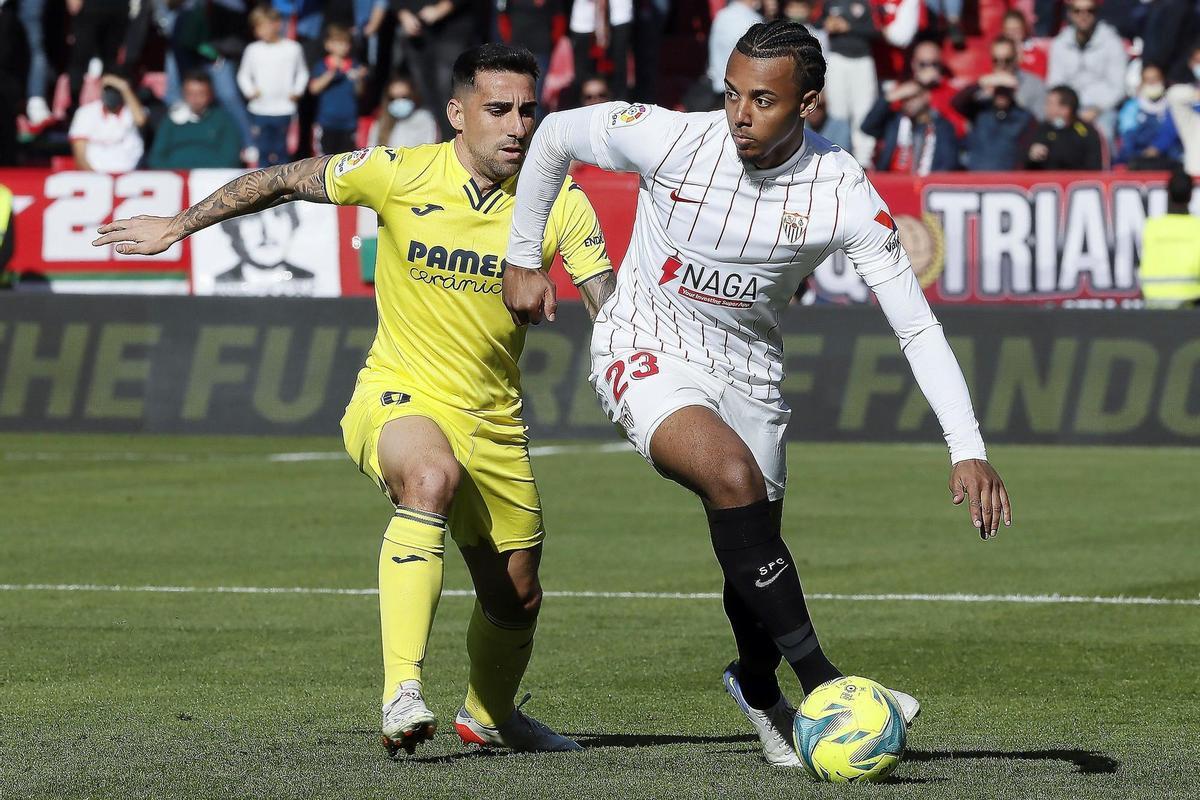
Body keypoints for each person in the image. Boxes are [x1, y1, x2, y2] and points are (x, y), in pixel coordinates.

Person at [503, 20, 1011, 767]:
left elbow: (916, 327)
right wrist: (523, 254)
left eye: (763, 100)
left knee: (752, 544)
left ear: (808, 102)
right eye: (733, 94)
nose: (741, 114)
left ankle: (756, 686)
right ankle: (828, 689)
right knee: (731, 479)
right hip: (642, 345)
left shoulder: (842, 191)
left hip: (751, 373)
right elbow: (553, 139)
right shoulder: (669, 137)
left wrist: (968, 449)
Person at [92, 43, 612, 757]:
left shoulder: (559, 201)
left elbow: (609, 306)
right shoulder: (396, 172)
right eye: (498, 110)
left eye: (528, 109)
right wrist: (178, 226)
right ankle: (403, 691)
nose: (517, 126)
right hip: (399, 393)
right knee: (428, 479)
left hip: (494, 420)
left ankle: (491, 718)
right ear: (457, 115)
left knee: (515, 596)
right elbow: (279, 178)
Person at [237, 5, 309, 166]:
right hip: (260, 109)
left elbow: (302, 73)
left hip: (284, 109)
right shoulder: (252, 49)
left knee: (282, 150)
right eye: (256, 27)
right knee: (262, 150)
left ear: (277, 24)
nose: (259, 31)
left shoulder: (293, 48)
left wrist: (296, 91)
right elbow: (243, 74)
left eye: (263, 25)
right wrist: (249, 91)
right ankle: (262, 187)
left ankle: (282, 188)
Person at [1046, 0, 1127, 140]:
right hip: (1068, 109)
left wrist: (1096, 109)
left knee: (1103, 135)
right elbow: (1055, 84)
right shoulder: (1059, 44)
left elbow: (1118, 87)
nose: (1083, 16)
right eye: (1078, 11)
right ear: (1070, 14)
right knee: (1050, 136)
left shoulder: (1112, 42)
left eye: (1089, 11)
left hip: (1101, 110)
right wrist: (1069, 110)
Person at [953, 39, 1038, 171]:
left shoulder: (1024, 116)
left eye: (1007, 60)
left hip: (1009, 181)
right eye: (996, 61)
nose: (1002, 66)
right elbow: (957, 102)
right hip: (978, 178)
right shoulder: (980, 109)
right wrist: (982, 82)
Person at [819, 0, 879, 164]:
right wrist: (827, 23)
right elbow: (817, 22)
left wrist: (848, 27)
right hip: (837, 58)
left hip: (862, 59)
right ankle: (835, 158)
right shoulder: (830, 3)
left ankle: (864, 161)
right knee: (838, 112)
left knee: (864, 111)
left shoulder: (868, 3)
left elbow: (877, 30)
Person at [148, 70, 243, 169]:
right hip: (176, 177)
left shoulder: (223, 120)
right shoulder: (171, 120)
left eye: (201, 93)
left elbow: (231, 158)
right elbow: (156, 158)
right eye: (190, 93)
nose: (195, 98)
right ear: (183, 94)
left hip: (212, 178)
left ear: (211, 94)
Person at [862, 80, 960, 173]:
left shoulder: (942, 126)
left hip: (927, 183)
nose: (909, 103)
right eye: (904, 99)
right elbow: (867, 127)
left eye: (913, 97)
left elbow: (948, 162)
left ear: (926, 96)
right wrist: (890, 97)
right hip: (893, 182)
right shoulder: (894, 123)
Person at [1139, 169, 1200, 308]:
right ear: (1191, 195)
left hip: (1154, 303)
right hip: (1190, 304)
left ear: (1167, 192)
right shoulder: (1198, 227)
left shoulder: (1151, 227)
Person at [309, 23, 368, 155]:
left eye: (346, 43)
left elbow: (359, 92)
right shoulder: (322, 65)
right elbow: (314, 89)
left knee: (346, 160)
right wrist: (331, 73)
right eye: (339, 43)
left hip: (349, 123)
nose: (343, 47)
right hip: (326, 123)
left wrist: (359, 79)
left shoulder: (354, 65)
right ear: (328, 45)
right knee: (324, 160)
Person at [69, 74, 146, 173]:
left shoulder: (131, 110)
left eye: (116, 90)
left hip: (130, 174)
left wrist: (124, 87)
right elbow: (80, 155)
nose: (111, 94)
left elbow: (141, 120)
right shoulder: (86, 112)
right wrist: (98, 180)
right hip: (95, 176)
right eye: (108, 90)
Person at [1116, 63, 1181, 170]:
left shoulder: (1172, 104)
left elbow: (1172, 131)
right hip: (1139, 155)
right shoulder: (1132, 106)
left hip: (1167, 155)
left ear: (1163, 80)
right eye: (1147, 80)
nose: (1151, 83)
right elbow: (1127, 132)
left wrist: (1157, 147)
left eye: (1155, 79)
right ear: (1142, 82)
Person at [1026, 85, 1104, 170]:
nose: (1046, 108)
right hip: (1046, 182)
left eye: (1050, 103)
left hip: (1077, 181)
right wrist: (1031, 156)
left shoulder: (1085, 132)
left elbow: (1094, 167)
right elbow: (1026, 164)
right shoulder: (1042, 129)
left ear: (1065, 108)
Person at [1157, 44, 1200, 176]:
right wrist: (1195, 94)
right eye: (1198, 61)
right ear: (1191, 64)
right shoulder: (1187, 105)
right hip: (1196, 171)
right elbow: (1173, 94)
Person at [367, 75, 439, 148]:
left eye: (404, 97)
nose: (399, 102)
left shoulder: (424, 118)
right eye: (393, 98)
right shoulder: (381, 122)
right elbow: (371, 149)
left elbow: (430, 145)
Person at [1001, 9, 1048, 80]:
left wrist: (1021, 60)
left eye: (1016, 29)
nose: (1012, 34)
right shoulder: (998, 53)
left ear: (1024, 29)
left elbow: (1039, 79)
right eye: (1009, 30)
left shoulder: (1037, 53)